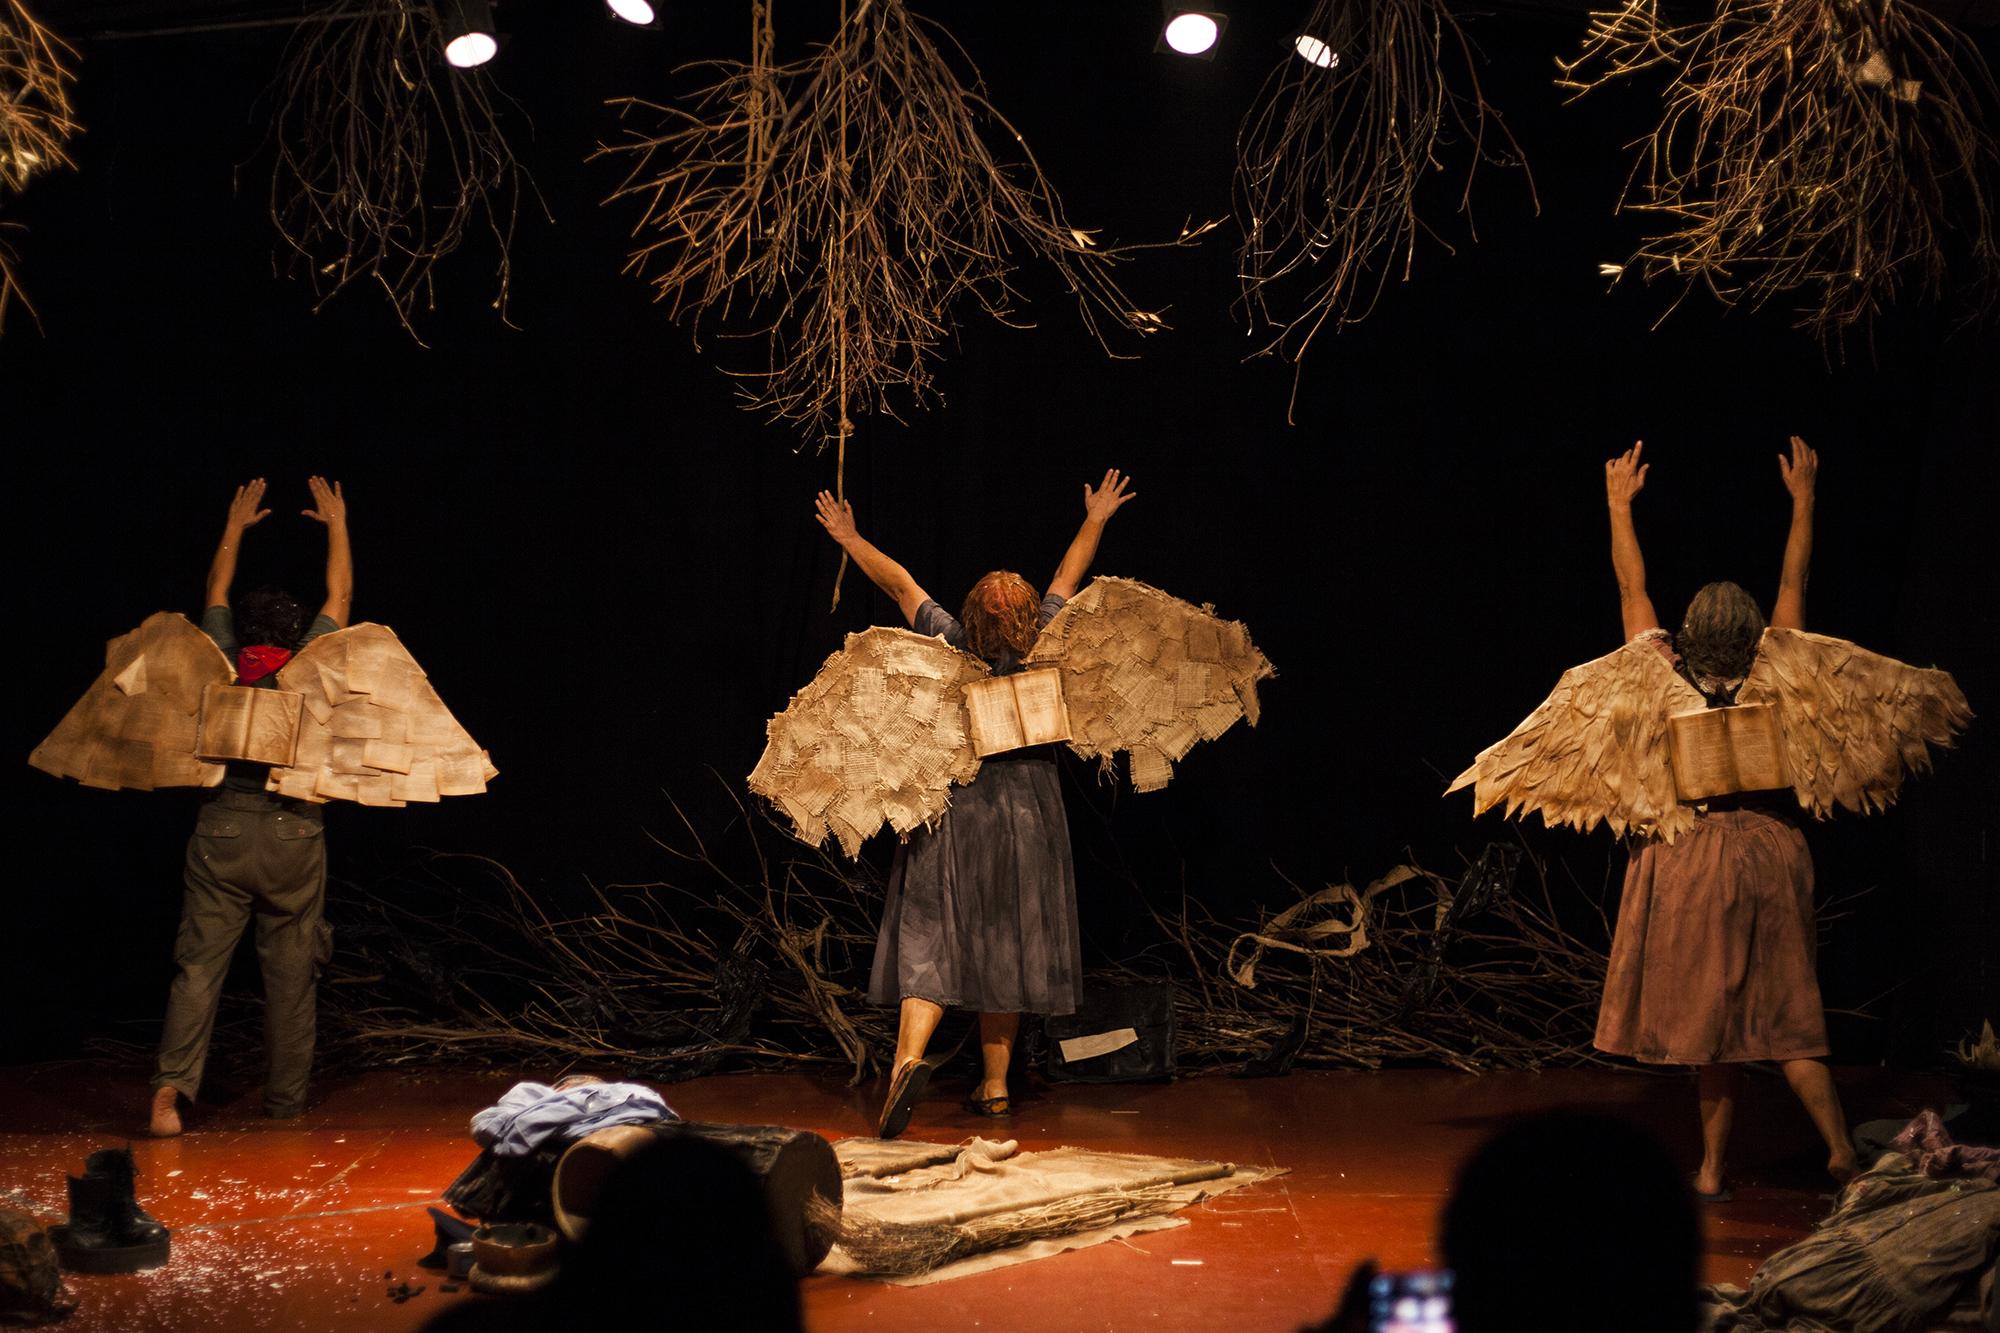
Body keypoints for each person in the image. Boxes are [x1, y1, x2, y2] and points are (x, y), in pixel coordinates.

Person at [812, 469, 1138, 1137]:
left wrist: (849, 537)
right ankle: (993, 1085)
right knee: (1007, 942)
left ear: (975, 613)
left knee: (933, 933)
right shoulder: (1043, 638)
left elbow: (900, 584)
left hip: (959, 807)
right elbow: (1067, 577)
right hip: (1028, 816)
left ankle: (909, 1060)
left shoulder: (954, 642)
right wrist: (1097, 517)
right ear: (1022, 617)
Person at [1595, 437, 1857, 1196]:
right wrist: (1804, 498)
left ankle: (1712, 1168)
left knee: (1717, 1019)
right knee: (1786, 1005)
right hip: (1774, 850)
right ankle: (1838, 1146)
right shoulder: (1780, 674)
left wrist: (1617, 503)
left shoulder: (1663, 676)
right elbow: (1794, 576)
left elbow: (1628, 584)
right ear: (1753, 638)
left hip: (1694, 853)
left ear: (1687, 633)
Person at [149, 477, 352, 1137]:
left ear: (241, 629)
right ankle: (285, 1103)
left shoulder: (224, 661)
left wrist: (234, 526)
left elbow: (211, 588)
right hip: (294, 829)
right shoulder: (312, 662)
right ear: (297, 632)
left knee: (200, 965)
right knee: (292, 973)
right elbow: (341, 595)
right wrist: (338, 523)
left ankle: (168, 1096)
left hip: (224, 827)